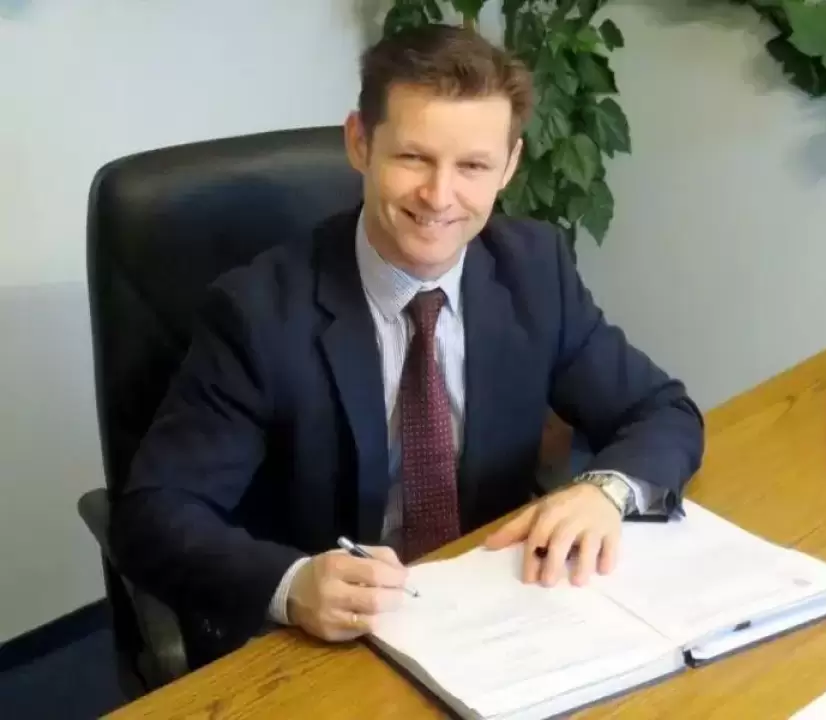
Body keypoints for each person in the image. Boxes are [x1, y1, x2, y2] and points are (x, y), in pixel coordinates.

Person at [109, 23, 705, 669]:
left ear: (509, 165)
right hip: (334, 639)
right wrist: (291, 584)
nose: (440, 197)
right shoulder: (258, 313)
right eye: (414, 158)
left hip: (499, 605)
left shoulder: (535, 270)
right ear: (360, 143)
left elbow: (662, 411)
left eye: (473, 166)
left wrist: (602, 492)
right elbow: (154, 514)